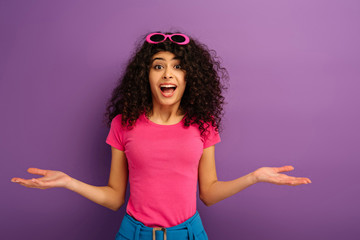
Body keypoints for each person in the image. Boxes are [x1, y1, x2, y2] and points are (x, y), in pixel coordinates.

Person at [11, 32, 311, 240]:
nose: (168, 74)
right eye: (158, 67)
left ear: (188, 78)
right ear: (147, 76)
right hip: (133, 233)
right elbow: (115, 197)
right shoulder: (123, 124)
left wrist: (254, 177)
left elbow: (208, 193)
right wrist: (68, 182)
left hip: (189, 234)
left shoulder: (202, 125)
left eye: (177, 67)